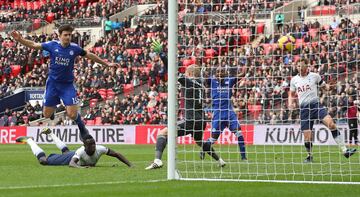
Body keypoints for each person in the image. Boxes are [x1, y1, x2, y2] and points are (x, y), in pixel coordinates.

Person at [10, 25, 117, 140]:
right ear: (59, 36)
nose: (68, 37)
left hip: (67, 85)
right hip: (52, 84)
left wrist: (106, 64)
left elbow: (89, 55)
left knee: (72, 114)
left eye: (70, 35)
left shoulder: (74, 48)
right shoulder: (52, 45)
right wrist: (20, 40)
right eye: (65, 35)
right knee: (46, 114)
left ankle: (82, 129)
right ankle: (51, 112)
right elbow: (34, 45)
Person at [145, 64, 225, 170]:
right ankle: (220, 160)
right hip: (201, 121)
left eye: (186, 73)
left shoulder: (189, 82)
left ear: (191, 74)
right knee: (199, 141)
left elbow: (172, 69)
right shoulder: (201, 84)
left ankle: (157, 161)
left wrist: (162, 55)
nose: (185, 75)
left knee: (162, 133)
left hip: (190, 120)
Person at [288, 59, 356, 163]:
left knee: (331, 124)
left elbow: (325, 87)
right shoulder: (294, 80)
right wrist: (290, 103)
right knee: (307, 138)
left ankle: (345, 151)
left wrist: (331, 87)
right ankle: (309, 156)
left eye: (301, 66)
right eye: (298, 67)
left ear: (307, 66)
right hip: (304, 110)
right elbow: (291, 94)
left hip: (316, 106)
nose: (300, 68)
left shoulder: (315, 76)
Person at [15, 128, 132, 168]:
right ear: (84, 145)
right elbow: (71, 164)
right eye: (90, 145)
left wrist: (130, 164)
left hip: (74, 154)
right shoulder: (81, 151)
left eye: (94, 144)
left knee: (65, 151)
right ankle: (30, 140)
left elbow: (116, 154)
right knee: (43, 161)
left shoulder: (100, 149)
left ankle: (50, 133)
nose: (93, 146)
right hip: (71, 158)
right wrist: (83, 168)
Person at [201, 66, 247, 161]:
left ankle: (244, 158)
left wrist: (244, 69)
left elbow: (242, 75)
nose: (220, 73)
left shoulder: (229, 80)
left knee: (239, 134)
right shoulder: (211, 81)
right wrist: (202, 68)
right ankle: (203, 149)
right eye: (218, 72)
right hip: (218, 114)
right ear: (215, 74)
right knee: (213, 139)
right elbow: (205, 77)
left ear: (225, 73)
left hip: (229, 113)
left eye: (222, 72)